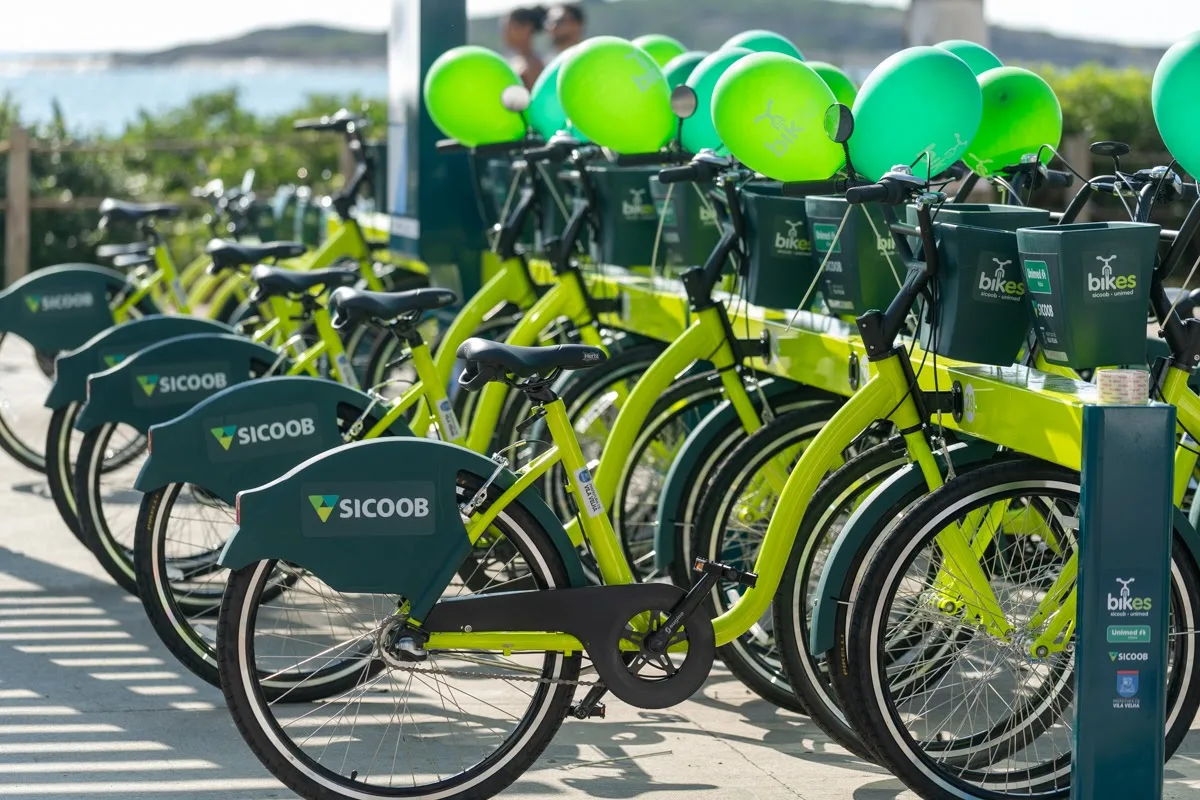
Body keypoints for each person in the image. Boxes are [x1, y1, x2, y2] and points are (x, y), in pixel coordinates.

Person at [503, 6, 547, 89]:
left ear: (527, 28)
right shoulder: (516, 61)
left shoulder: (534, 66)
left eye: (509, 28)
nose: (505, 34)